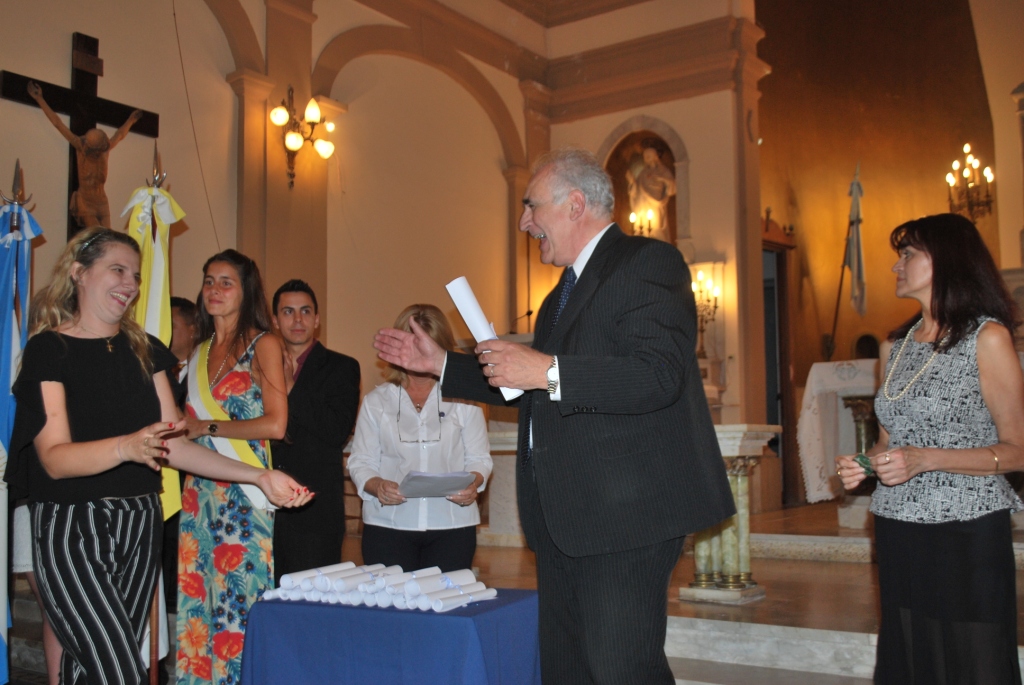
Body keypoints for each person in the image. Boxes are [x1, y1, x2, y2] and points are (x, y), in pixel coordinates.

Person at [375, 148, 734, 684]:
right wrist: (442, 363)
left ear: (573, 204)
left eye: (531, 207)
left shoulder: (646, 263)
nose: (524, 222)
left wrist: (547, 369)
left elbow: (656, 375)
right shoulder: (556, 299)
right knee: (567, 671)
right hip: (564, 517)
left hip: (624, 517)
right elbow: (528, 388)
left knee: (621, 670)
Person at [2, 227, 311, 685]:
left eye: (136, 274)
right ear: (79, 273)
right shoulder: (50, 348)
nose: (130, 283)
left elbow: (177, 444)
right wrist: (127, 447)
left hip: (138, 522)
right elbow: (54, 459)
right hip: (73, 524)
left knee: (87, 666)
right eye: (117, 270)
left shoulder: (146, 350)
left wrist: (257, 477)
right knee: (119, 668)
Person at [836, 213, 1024, 684]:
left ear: (945, 261)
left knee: (972, 659)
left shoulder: (988, 338)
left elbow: (1019, 448)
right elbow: (888, 443)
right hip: (898, 525)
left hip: (967, 528)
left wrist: (929, 459)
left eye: (908, 255)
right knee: (910, 653)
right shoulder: (895, 347)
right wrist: (864, 465)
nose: (896, 266)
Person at [176, 250, 293, 685]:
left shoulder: (264, 343)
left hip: (244, 494)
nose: (214, 290)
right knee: (198, 602)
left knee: (238, 604)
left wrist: (205, 424)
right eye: (208, 281)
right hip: (199, 490)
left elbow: (277, 425)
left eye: (226, 282)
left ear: (246, 291)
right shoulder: (199, 351)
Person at [351, 304, 491, 573]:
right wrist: (376, 484)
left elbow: (479, 458)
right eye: (412, 347)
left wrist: (473, 484)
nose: (420, 357)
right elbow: (361, 461)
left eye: (427, 348)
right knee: (392, 611)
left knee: (445, 610)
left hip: (452, 525)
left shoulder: (465, 398)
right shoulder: (377, 401)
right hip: (388, 524)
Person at [270, 279, 361, 583]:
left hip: (315, 508)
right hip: (263, 503)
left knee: (311, 602)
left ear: (317, 320)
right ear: (275, 320)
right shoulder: (257, 366)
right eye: (288, 312)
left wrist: (291, 385)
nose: (297, 320)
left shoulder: (342, 367)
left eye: (305, 311)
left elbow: (335, 431)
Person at [26, 81, 142, 229]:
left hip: (102, 202)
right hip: (85, 201)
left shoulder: (104, 150)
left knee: (108, 239)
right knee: (97, 237)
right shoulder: (81, 147)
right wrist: (40, 99)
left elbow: (119, 134)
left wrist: (131, 120)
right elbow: (58, 123)